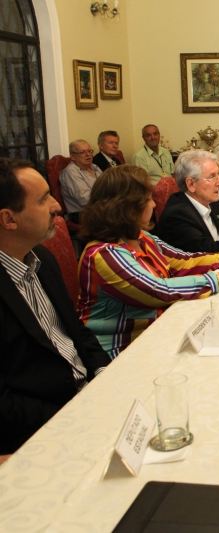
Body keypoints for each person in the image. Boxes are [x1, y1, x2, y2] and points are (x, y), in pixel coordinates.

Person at [77, 165, 219, 358]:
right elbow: (159, 290)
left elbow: (183, 260)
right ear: (127, 207)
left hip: (155, 334)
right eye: (147, 199)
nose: (153, 205)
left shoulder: (142, 237)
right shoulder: (104, 254)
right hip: (119, 352)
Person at [0, 158, 110, 456]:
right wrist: (74, 415)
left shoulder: (42, 260)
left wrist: (105, 374)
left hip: (89, 398)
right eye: (43, 199)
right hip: (43, 431)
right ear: (9, 219)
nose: (56, 206)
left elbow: (75, 331)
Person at [59, 139, 102, 220]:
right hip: (82, 214)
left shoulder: (95, 167)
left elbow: (108, 186)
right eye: (82, 152)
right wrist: (108, 198)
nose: (88, 154)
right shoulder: (71, 172)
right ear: (72, 156)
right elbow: (84, 199)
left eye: (89, 151)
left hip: (100, 208)